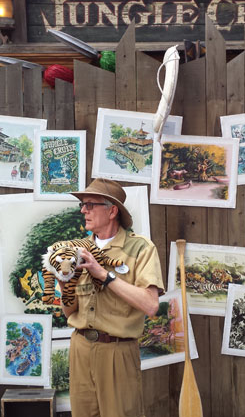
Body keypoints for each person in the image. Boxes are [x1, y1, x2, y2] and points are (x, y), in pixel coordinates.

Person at [61, 178, 164, 417]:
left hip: (117, 352)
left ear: (112, 211)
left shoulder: (140, 249)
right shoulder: (78, 250)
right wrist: (64, 284)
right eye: (82, 205)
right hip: (80, 348)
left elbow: (150, 305)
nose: (83, 210)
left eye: (90, 205)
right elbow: (69, 312)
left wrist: (103, 274)